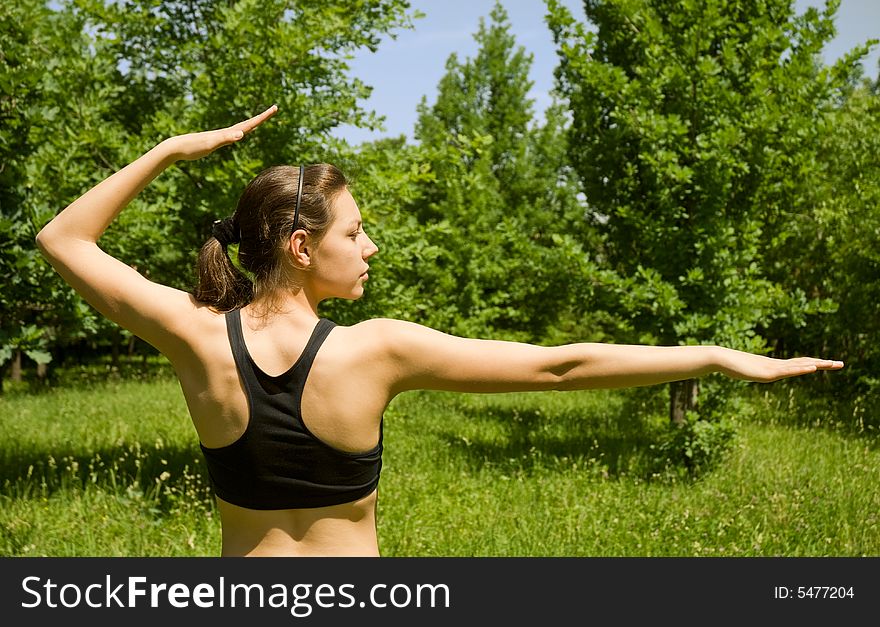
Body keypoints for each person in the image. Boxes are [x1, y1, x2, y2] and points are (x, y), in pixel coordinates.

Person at [35, 105, 844, 557]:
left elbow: (62, 239)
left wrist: (173, 150)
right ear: (303, 246)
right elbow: (558, 368)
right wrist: (716, 355)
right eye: (356, 232)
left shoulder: (195, 334)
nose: (372, 246)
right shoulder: (374, 349)